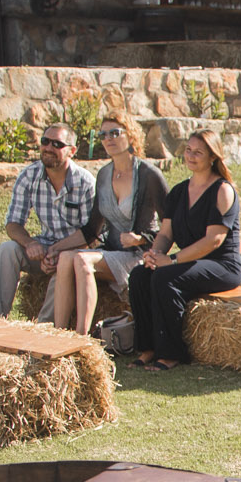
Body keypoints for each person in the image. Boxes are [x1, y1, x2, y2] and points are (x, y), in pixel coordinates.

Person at [128, 131, 241, 372]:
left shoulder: (222, 190)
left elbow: (214, 240)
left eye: (198, 152)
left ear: (213, 157)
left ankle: (171, 353)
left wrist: (171, 260)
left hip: (222, 266)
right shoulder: (179, 191)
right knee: (140, 275)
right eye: (188, 150)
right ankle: (148, 347)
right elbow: (165, 234)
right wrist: (154, 254)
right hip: (189, 262)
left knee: (164, 277)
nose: (190, 156)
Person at [51, 109, 169, 334]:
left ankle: (81, 337)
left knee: (83, 261)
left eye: (115, 133)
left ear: (131, 135)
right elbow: (91, 230)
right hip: (111, 253)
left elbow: (170, 225)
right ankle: (59, 334)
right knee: (66, 257)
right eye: (103, 135)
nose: (108, 139)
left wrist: (141, 239)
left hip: (138, 257)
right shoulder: (104, 175)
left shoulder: (148, 174)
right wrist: (55, 249)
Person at [0, 121, 94, 319]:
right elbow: (13, 224)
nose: (48, 148)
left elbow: (91, 235)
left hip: (74, 250)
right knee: (6, 250)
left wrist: (58, 253)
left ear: (72, 151)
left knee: (65, 265)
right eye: (45, 141)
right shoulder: (29, 176)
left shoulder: (85, 183)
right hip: (44, 247)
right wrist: (30, 244)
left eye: (57, 144)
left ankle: (44, 329)